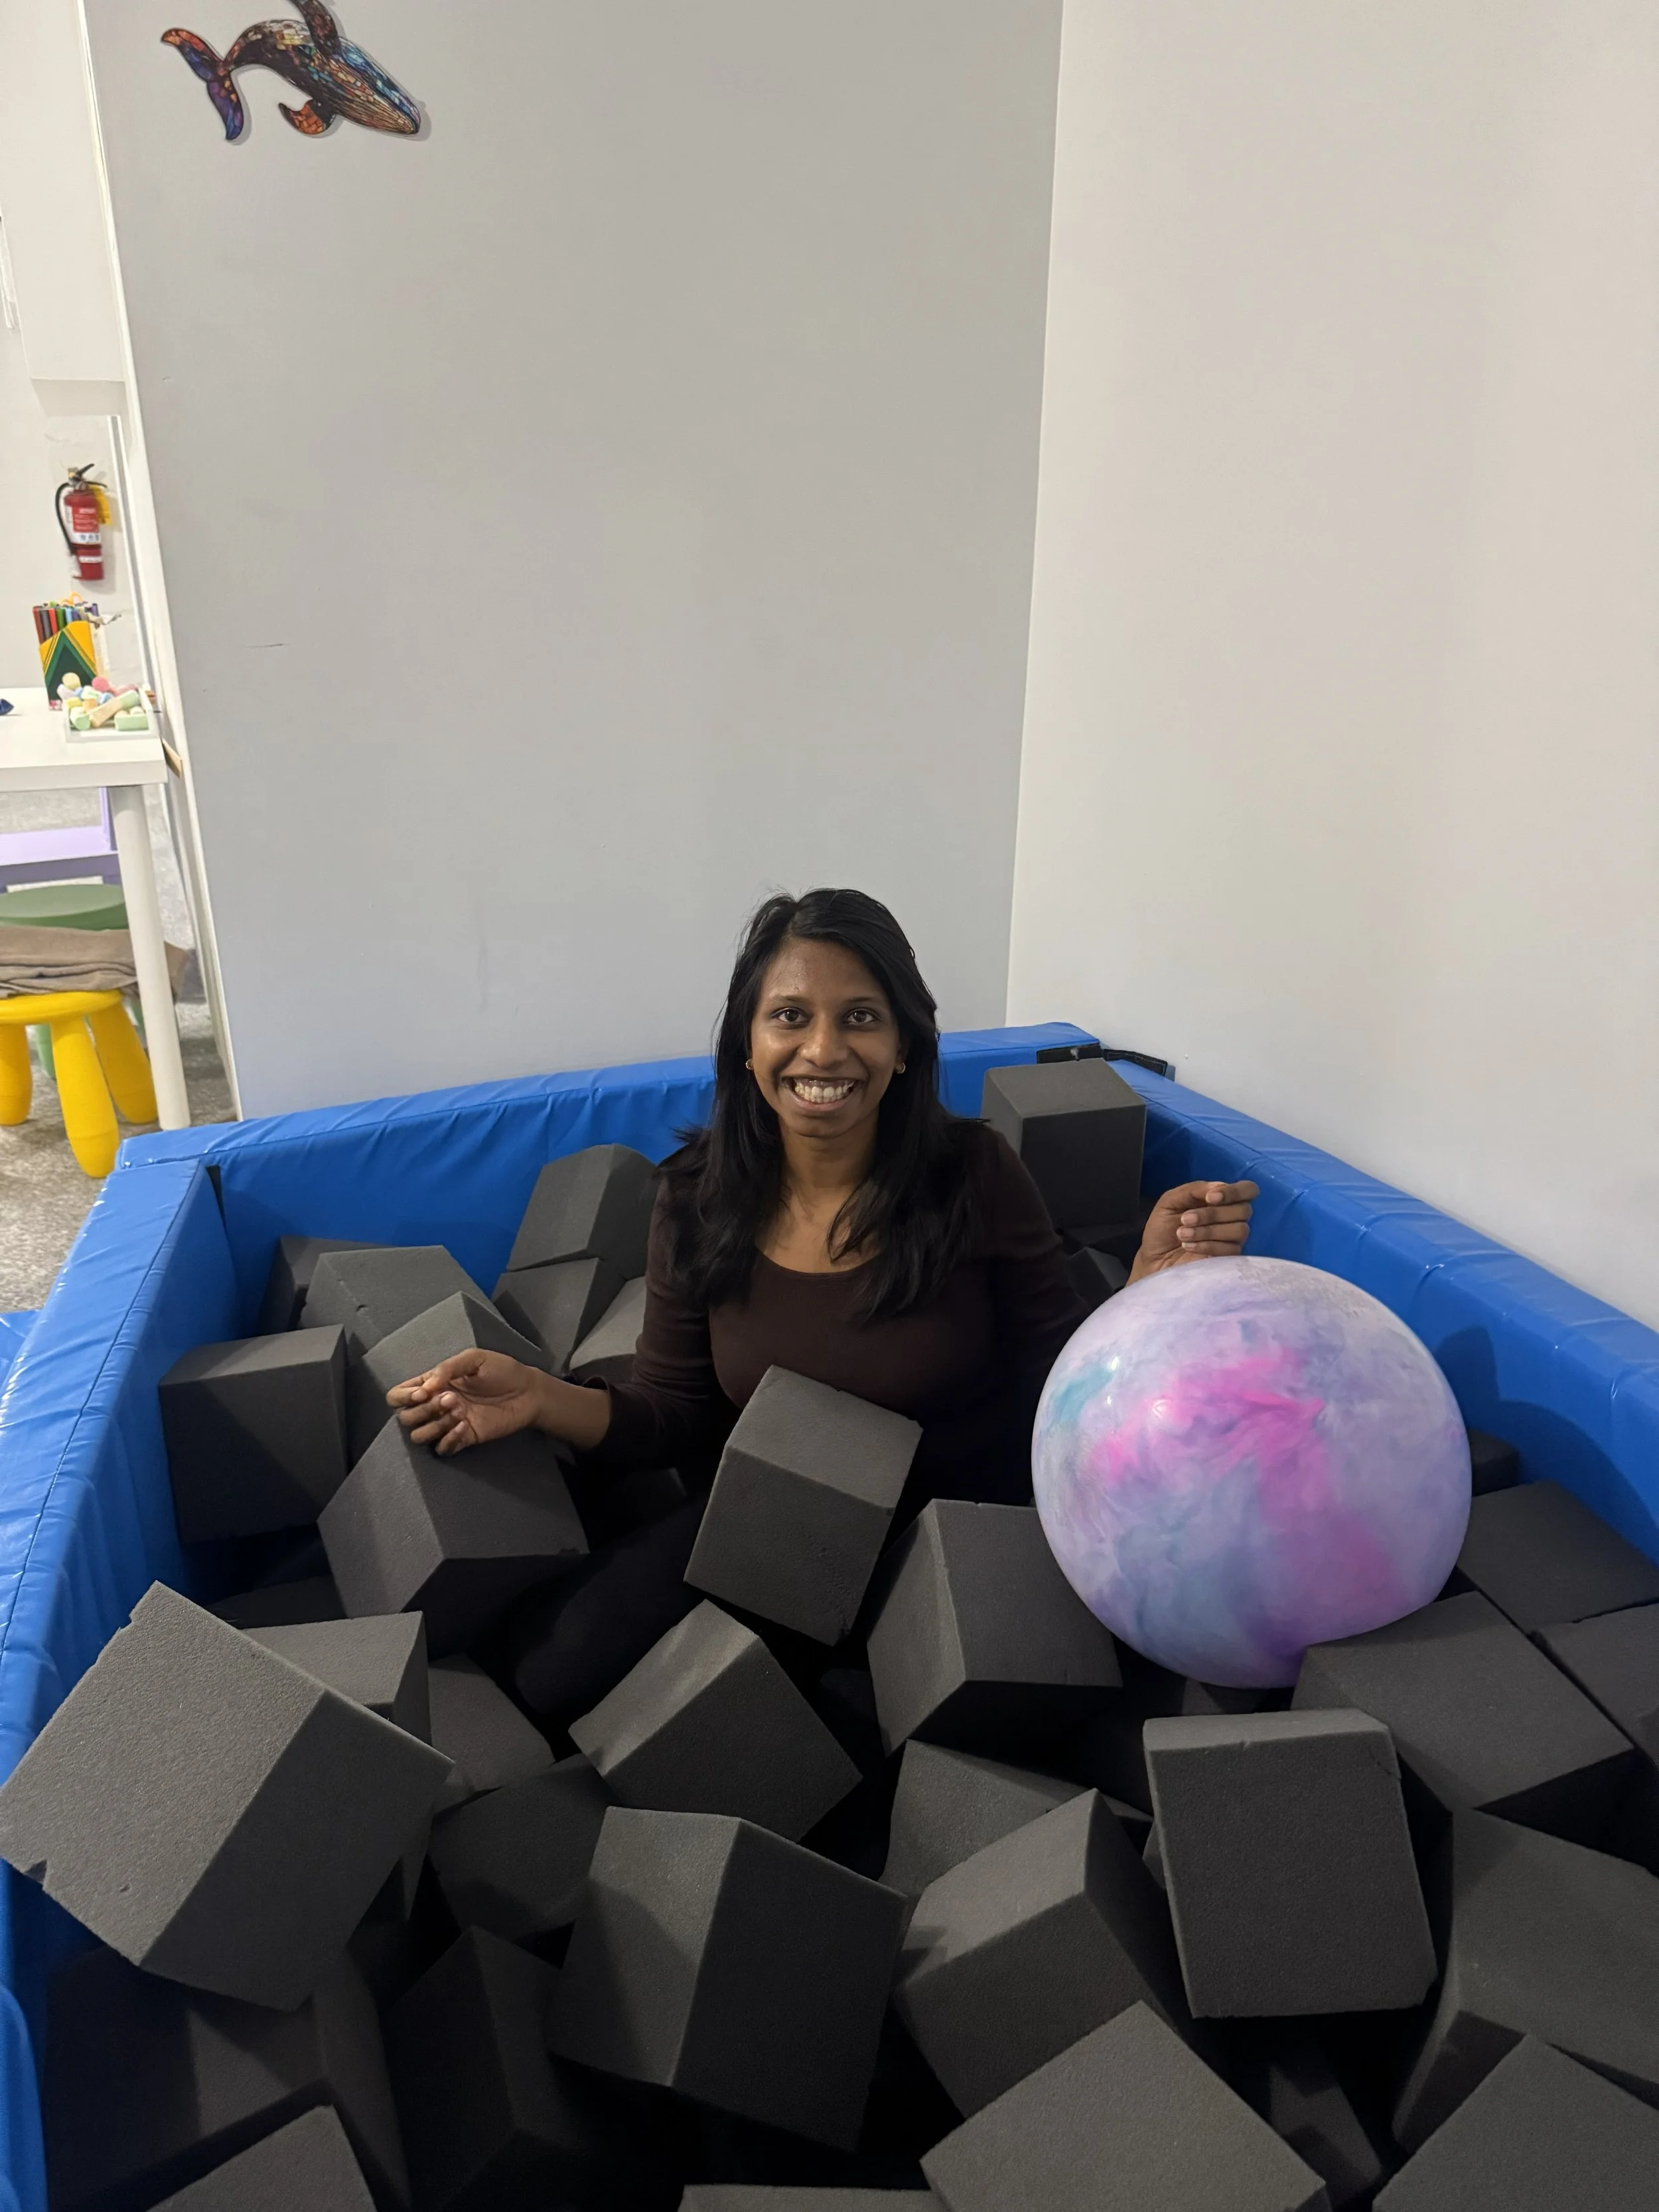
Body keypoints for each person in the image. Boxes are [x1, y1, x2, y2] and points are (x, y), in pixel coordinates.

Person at [388, 888, 1256, 1716]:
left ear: (905, 1044)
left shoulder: (974, 1175)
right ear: (747, 1041)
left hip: (953, 1541)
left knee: (847, 1743)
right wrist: (539, 1397)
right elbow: (674, 1414)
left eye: (861, 1018)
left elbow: (1058, 1385)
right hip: (777, 1528)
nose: (824, 1050)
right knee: (550, 1675)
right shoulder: (695, 1195)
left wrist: (1142, 1294)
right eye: (791, 1016)